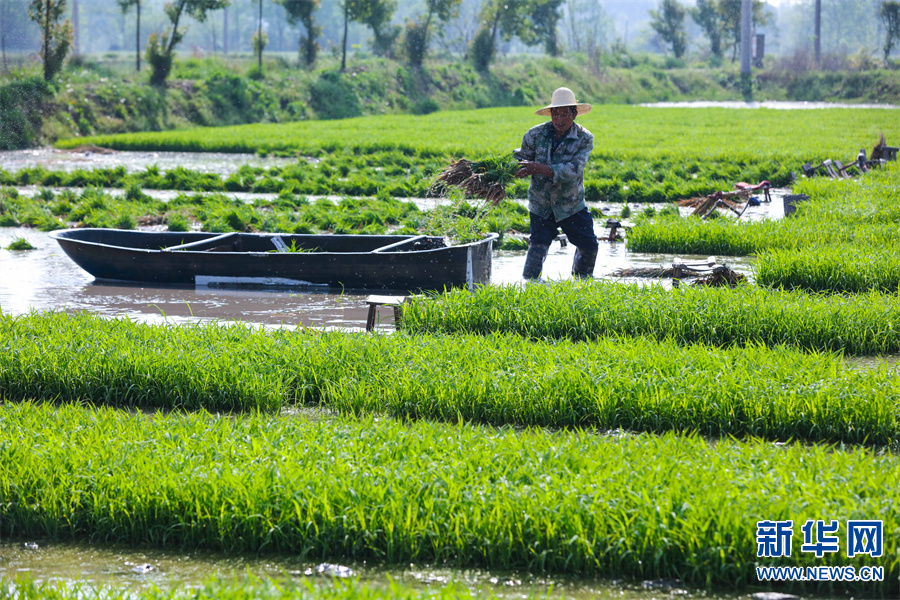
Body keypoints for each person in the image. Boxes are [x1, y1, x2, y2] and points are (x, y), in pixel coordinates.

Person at [514, 87, 598, 281]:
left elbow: (574, 170)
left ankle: (582, 281)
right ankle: (529, 284)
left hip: (571, 203)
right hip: (541, 202)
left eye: (565, 114)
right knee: (538, 245)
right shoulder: (534, 135)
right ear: (551, 114)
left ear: (574, 114)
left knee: (589, 245)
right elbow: (521, 159)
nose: (560, 119)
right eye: (556, 114)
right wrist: (507, 169)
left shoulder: (584, 138)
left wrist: (540, 168)